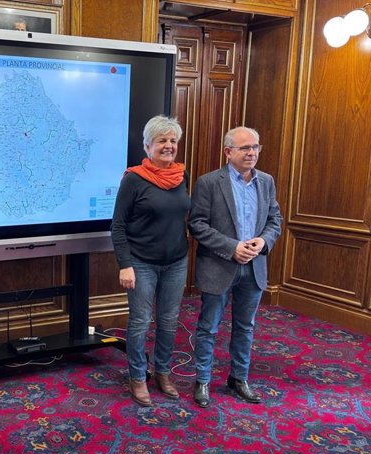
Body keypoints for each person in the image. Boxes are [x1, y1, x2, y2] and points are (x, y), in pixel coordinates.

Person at [188, 126, 282, 408]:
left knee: (245, 327)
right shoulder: (208, 182)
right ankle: (202, 380)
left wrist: (263, 242)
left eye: (255, 147)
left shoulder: (266, 181)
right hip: (219, 266)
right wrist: (232, 247)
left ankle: (239, 378)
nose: (252, 152)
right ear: (228, 152)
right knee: (208, 327)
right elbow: (197, 224)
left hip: (254, 269)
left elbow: (275, 220)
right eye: (244, 148)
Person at [111, 115, 191, 407]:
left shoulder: (182, 176)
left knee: (169, 322)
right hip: (141, 263)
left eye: (172, 141)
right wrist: (125, 264)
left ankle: (163, 372)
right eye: (162, 141)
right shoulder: (133, 179)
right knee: (141, 322)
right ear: (148, 146)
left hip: (176, 262)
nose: (168, 146)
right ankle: (137, 376)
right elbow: (118, 226)